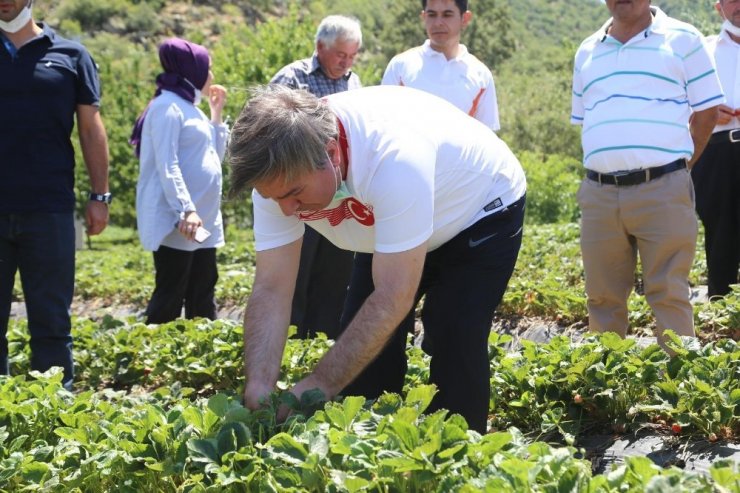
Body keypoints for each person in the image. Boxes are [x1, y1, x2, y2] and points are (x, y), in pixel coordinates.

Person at [229, 84, 527, 433]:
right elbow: (271, 286)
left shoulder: (394, 159)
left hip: (476, 207)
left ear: (331, 154)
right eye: (273, 197)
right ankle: (371, 459)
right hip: (391, 221)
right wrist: (259, 384)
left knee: (454, 332)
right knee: (364, 360)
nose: (286, 209)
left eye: (294, 194)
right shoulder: (277, 176)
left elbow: (392, 294)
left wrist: (317, 385)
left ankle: (460, 457)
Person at [570, 1, 723, 347]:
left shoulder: (684, 38)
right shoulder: (587, 50)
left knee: (669, 295)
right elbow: (586, 120)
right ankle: (606, 393)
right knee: (601, 298)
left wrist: (679, 167)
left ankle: (681, 393)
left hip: (664, 187)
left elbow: (707, 114)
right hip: (599, 193)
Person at [0, 0, 110, 390]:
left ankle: (53, 418)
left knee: (51, 323)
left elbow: (90, 129)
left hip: (49, 210)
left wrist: (101, 195)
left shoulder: (71, 55)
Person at [270, 15, 363, 339]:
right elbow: (269, 136)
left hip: (340, 197)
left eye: (352, 56)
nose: (346, 62)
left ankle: (322, 342)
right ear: (320, 47)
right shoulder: (292, 78)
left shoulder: (354, 83)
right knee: (296, 272)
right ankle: (291, 343)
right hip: (298, 196)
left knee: (335, 275)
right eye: (341, 54)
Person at [131, 38, 229, 324]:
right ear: (192, 70)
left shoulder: (191, 108)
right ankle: (155, 363)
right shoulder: (166, 107)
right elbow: (167, 164)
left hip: (203, 221)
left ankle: (201, 358)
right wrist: (185, 208)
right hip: (180, 222)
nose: (211, 76)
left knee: (203, 290)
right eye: (207, 68)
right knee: (171, 294)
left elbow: (213, 157)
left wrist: (216, 115)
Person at [382, 0, 500, 131]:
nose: (438, 23)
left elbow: (487, 140)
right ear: (424, 17)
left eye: (447, 15)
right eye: (432, 15)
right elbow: (383, 127)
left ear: (465, 19)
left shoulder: (481, 76)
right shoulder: (400, 67)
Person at [691, 0, 740, 298]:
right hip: (715, 155)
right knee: (720, 238)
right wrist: (703, 114)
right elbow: (680, 106)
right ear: (718, 6)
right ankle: (722, 319)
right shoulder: (703, 52)